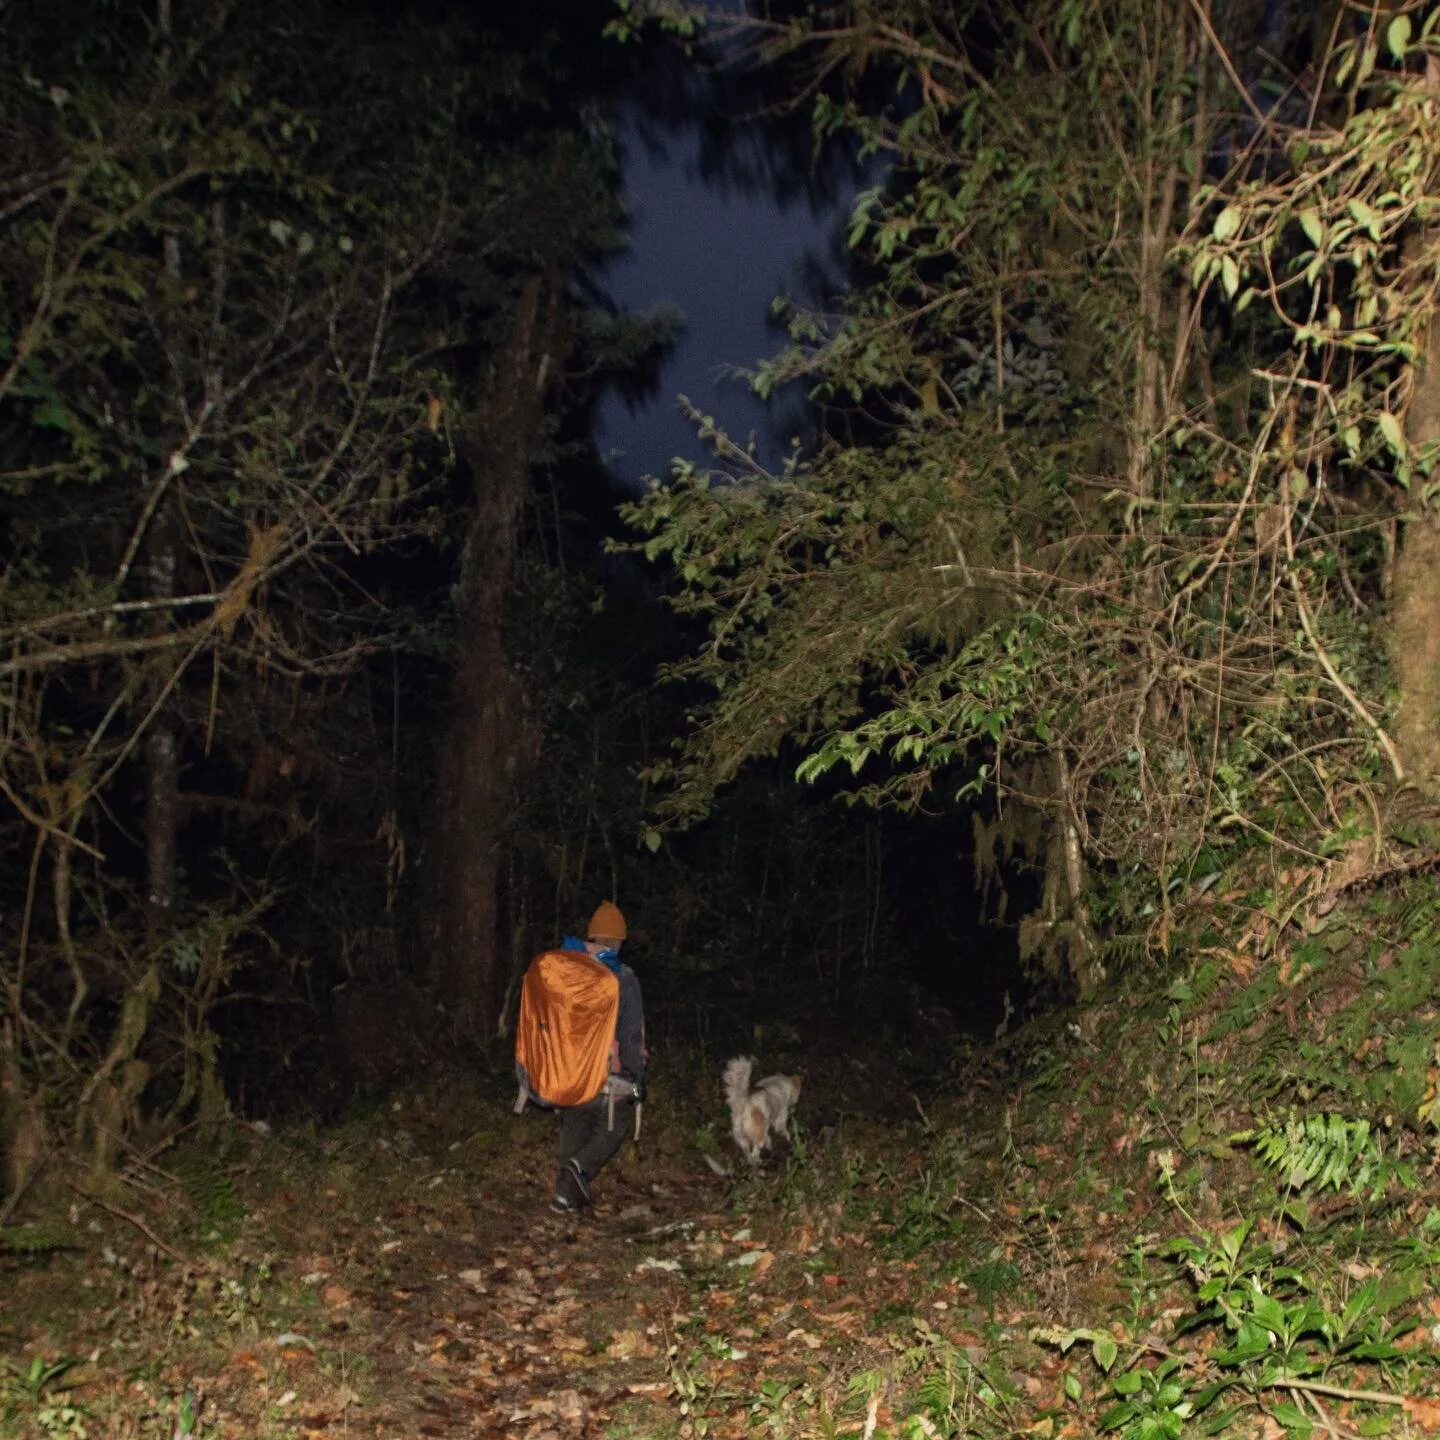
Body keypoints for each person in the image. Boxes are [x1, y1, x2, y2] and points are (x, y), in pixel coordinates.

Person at [550, 900, 646, 1214]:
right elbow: (632, 1035)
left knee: (575, 1120)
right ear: (619, 940)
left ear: (591, 936)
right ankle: (575, 1172)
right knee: (614, 1126)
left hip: (566, 1069)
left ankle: (565, 1196)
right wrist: (635, 1078)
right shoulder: (623, 978)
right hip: (606, 1071)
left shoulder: (568, 968)